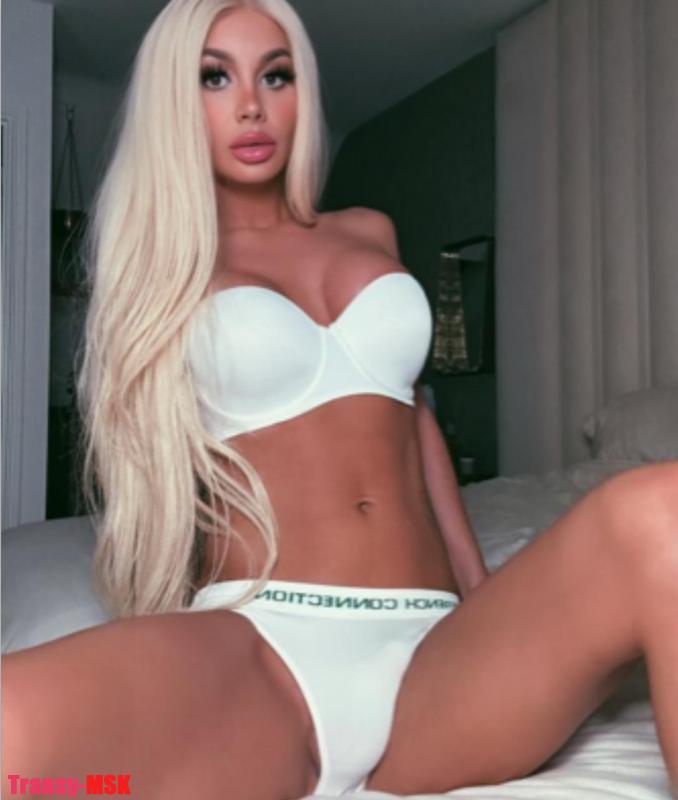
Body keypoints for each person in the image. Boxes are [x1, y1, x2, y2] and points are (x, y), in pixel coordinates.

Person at [3, 0, 677, 797]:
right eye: (214, 78)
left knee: (658, 507)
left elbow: (411, 415)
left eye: (276, 76)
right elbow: (157, 469)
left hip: (439, 656)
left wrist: (481, 592)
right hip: (272, 645)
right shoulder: (169, 270)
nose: (251, 105)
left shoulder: (369, 231)